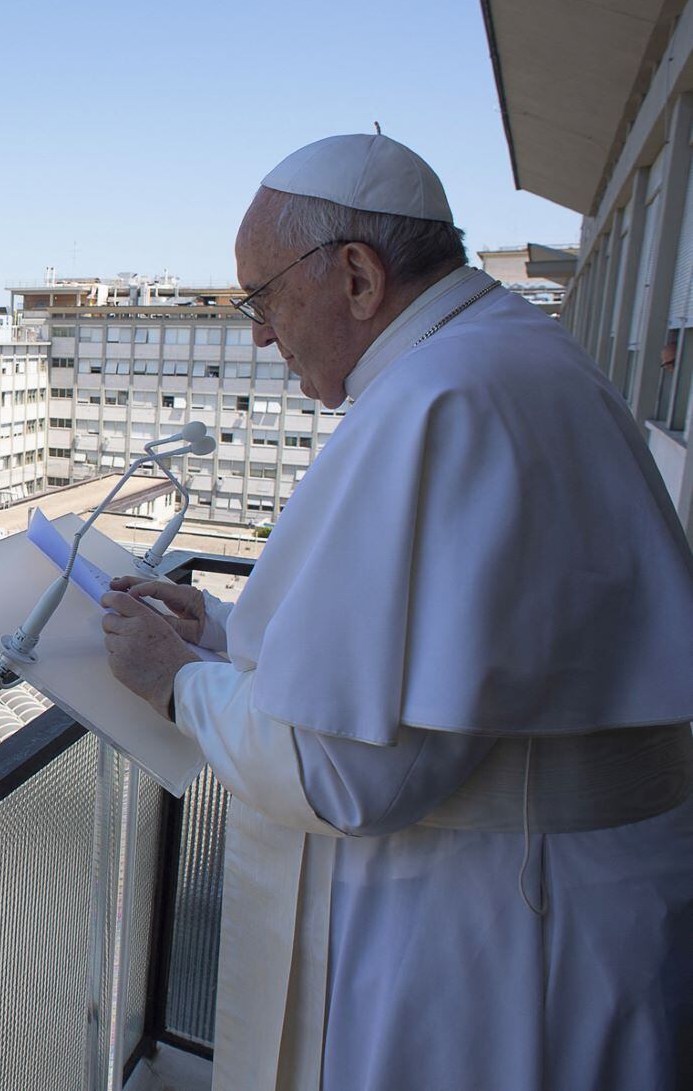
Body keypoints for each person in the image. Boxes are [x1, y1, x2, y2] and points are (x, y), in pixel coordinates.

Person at [99, 132, 693, 1090]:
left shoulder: (437, 398)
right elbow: (415, 649)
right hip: (558, 895)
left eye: (263, 299)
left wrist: (179, 684)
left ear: (357, 277)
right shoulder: (505, 355)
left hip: (496, 931)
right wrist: (217, 632)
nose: (258, 333)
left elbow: (339, 772)